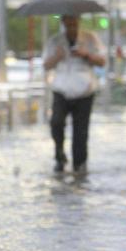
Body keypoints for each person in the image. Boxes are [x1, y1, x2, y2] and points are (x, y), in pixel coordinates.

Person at [43, 14, 106, 174]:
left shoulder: (91, 39)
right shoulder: (55, 41)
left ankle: (79, 163)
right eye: (68, 21)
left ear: (78, 21)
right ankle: (59, 154)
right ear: (63, 22)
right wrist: (57, 57)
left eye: (74, 21)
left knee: (81, 129)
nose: (71, 25)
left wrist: (86, 54)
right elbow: (46, 65)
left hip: (84, 89)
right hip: (61, 88)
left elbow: (102, 61)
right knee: (56, 122)